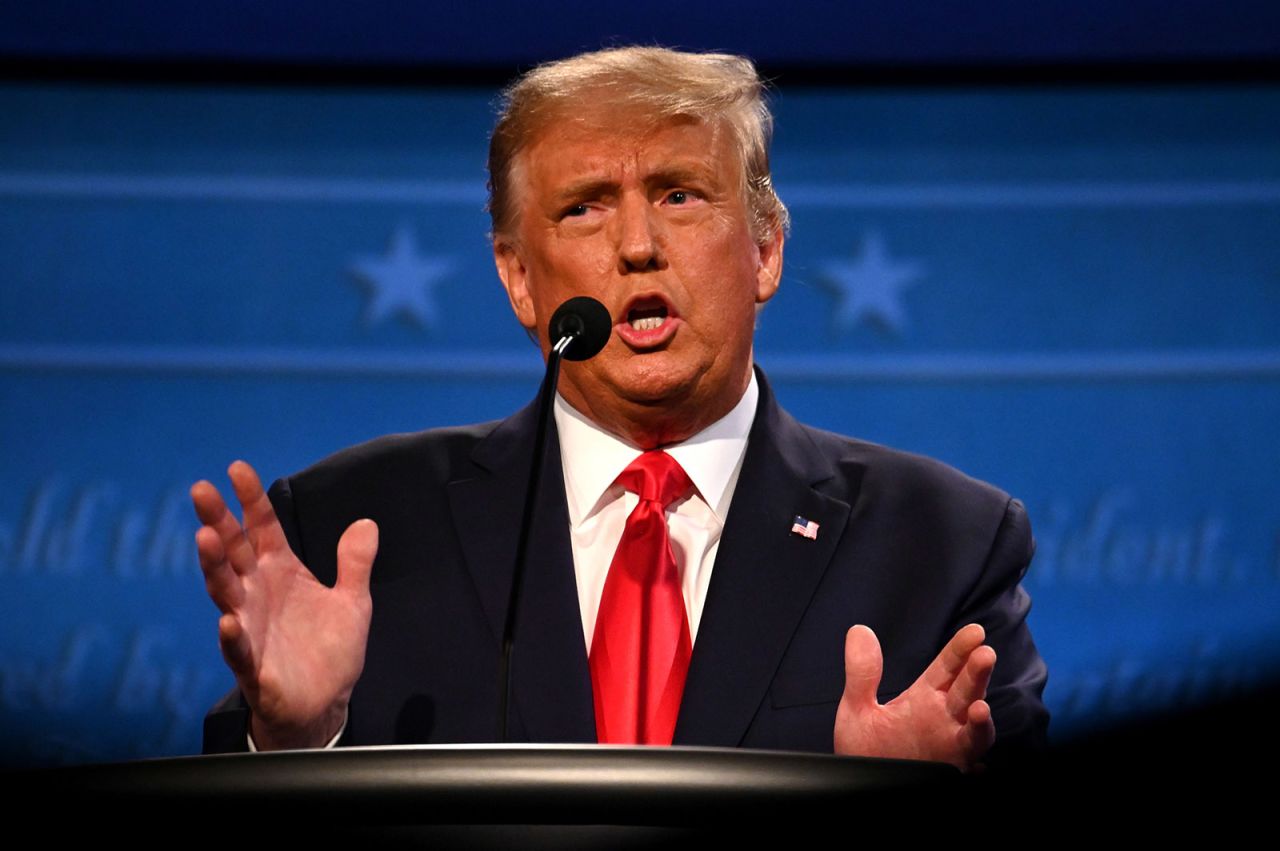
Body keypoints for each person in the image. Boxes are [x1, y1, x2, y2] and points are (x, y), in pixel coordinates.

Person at [193, 46, 1047, 768]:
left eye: (680, 194)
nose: (638, 246)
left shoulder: (943, 545)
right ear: (519, 277)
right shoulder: (360, 531)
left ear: (766, 249)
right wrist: (297, 735)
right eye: (584, 208)